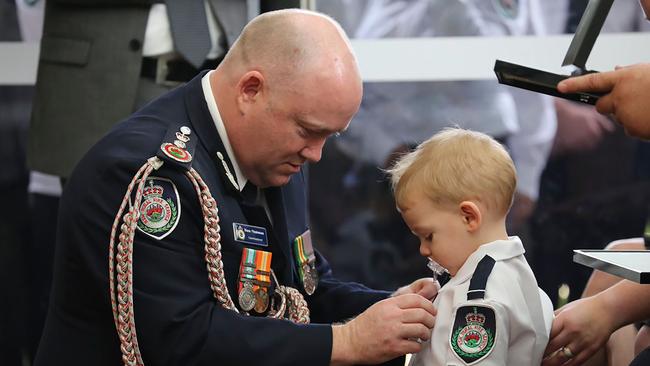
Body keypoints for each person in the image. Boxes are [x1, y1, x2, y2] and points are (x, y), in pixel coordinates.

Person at [34, 9, 439, 366]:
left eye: (330, 136)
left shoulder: (277, 152)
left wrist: (395, 311)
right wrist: (347, 341)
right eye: (309, 131)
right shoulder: (149, 172)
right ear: (250, 90)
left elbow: (300, 289)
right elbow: (181, 342)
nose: (316, 154)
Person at [388, 128, 554, 365]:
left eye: (428, 236)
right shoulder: (520, 275)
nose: (423, 250)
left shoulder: (477, 298)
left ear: (468, 217)